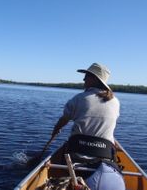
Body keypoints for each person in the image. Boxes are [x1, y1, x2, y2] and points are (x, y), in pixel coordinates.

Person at [51, 62, 125, 190]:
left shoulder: (79, 98)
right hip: (105, 156)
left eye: (87, 76)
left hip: (76, 156)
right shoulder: (115, 102)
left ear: (94, 79)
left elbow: (64, 119)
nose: (83, 79)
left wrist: (56, 129)